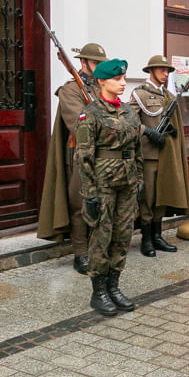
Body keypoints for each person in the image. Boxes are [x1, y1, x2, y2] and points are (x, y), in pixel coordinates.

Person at [75, 58, 143, 317]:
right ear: (102, 81)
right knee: (101, 237)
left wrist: (138, 182)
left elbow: (136, 150)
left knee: (123, 234)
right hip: (102, 184)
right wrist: (90, 193)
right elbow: (83, 156)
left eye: (124, 78)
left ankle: (114, 287)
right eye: (117, 79)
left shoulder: (129, 111)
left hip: (126, 183)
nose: (123, 83)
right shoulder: (90, 113)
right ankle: (99, 292)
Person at [38, 43, 106, 274]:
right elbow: (79, 124)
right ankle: (80, 253)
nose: (99, 69)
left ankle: (98, 248)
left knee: (102, 202)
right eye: (95, 63)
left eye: (102, 65)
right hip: (81, 155)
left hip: (103, 154)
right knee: (80, 204)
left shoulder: (102, 88)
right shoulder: (70, 90)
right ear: (83, 63)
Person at [130, 55, 189, 257]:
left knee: (160, 197)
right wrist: (147, 132)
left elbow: (171, 120)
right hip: (148, 156)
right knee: (147, 198)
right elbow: (129, 123)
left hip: (166, 154)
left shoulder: (168, 95)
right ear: (152, 71)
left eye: (168, 71)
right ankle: (146, 239)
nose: (166, 74)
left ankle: (157, 236)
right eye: (162, 70)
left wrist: (172, 131)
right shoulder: (139, 93)